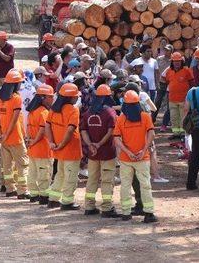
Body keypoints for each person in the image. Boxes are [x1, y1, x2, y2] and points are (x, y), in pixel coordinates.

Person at [114, 90, 158, 223]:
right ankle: (149, 214)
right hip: (142, 158)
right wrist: (144, 149)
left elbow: (116, 139)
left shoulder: (121, 119)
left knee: (125, 185)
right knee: (145, 185)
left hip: (126, 159)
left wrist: (127, 152)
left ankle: (126, 213)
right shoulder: (145, 117)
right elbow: (151, 134)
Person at [80, 84, 120, 217]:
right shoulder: (110, 112)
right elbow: (111, 131)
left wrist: (90, 144)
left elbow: (83, 131)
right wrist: (99, 144)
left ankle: (89, 206)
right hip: (107, 153)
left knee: (92, 179)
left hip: (92, 154)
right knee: (107, 181)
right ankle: (107, 208)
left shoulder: (88, 113)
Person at [45, 83, 83, 210]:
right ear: (71, 98)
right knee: (70, 177)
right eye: (76, 96)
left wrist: (52, 142)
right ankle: (67, 202)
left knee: (60, 175)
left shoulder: (53, 109)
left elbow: (48, 126)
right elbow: (70, 130)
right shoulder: (74, 110)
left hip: (58, 149)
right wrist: (61, 144)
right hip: (70, 150)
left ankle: (53, 199)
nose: (77, 98)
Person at [0, 70, 29, 199]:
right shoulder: (16, 98)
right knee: (23, 164)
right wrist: (6, 134)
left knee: (7, 165)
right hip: (15, 137)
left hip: (4, 139)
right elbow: (14, 120)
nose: (21, 84)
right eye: (20, 82)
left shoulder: (0, 98)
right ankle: (23, 190)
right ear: (15, 84)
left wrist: (0, 134)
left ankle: (10, 189)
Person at [25, 84, 54, 204]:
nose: (52, 99)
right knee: (44, 174)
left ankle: (34, 194)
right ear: (43, 98)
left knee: (32, 173)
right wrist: (34, 141)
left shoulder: (32, 112)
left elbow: (28, 127)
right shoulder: (44, 112)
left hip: (33, 149)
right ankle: (44, 196)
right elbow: (42, 131)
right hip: (42, 149)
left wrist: (29, 141)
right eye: (50, 97)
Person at [164, 52, 194, 138]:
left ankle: (183, 134)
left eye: (178, 61)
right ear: (172, 62)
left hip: (183, 100)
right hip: (172, 99)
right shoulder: (169, 71)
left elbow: (192, 83)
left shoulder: (186, 71)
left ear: (181, 61)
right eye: (175, 61)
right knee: (174, 118)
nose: (177, 63)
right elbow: (167, 82)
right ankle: (176, 133)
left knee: (183, 118)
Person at [154, 44, 173, 127]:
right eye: (165, 50)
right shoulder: (159, 59)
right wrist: (156, 82)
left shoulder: (174, 60)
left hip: (170, 83)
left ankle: (167, 121)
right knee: (157, 101)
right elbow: (156, 71)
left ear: (171, 51)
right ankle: (152, 119)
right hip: (161, 82)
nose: (166, 51)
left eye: (168, 50)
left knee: (170, 103)